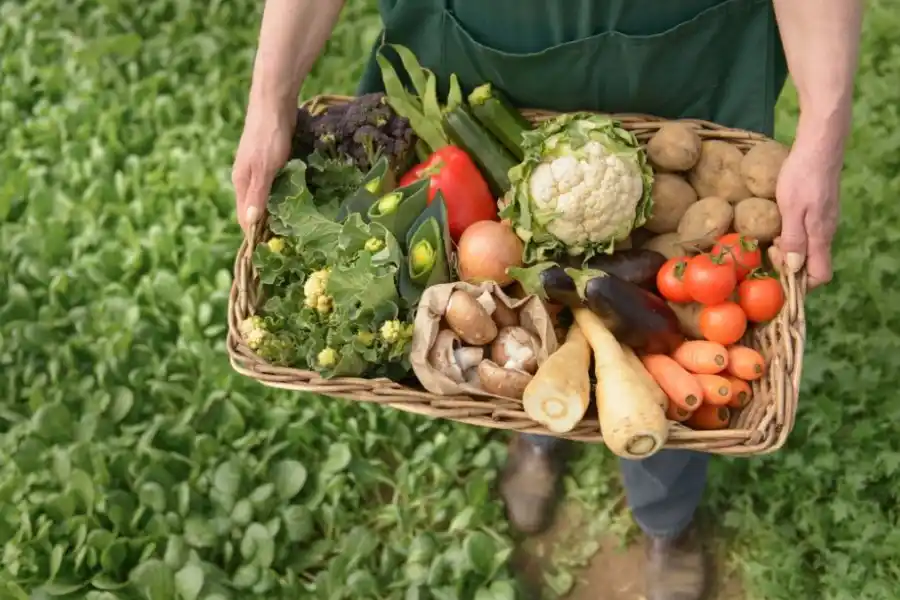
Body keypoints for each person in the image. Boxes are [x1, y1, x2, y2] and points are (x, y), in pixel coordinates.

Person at [233, 1, 863, 598]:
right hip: (472, 59)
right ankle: (538, 430)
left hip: (676, 63)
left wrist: (826, 126)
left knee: (668, 346)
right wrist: (269, 97)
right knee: (522, 318)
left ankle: (664, 518)